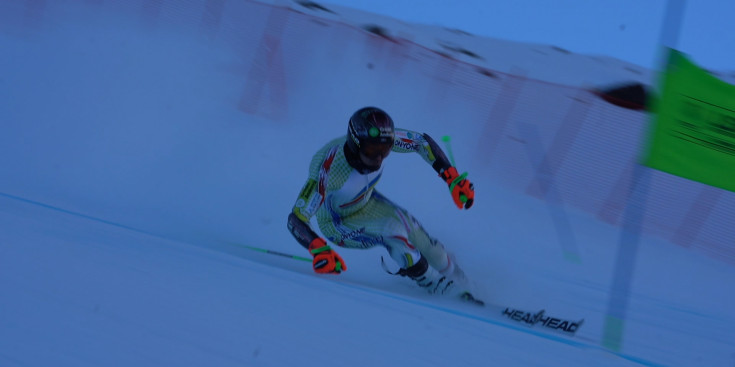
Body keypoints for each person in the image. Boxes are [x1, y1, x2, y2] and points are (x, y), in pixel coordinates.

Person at [287, 106, 479, 302]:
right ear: (355, 144)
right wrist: (318, 247)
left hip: (368, 203)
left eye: (385, 150)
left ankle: (465, 284)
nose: (378, 157)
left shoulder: (380, 137)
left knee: (429, 248)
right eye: (371, 151)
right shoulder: (328, 168)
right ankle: (439, 287)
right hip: (338, 224)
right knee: (393, 232)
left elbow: (421, 142)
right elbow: (297, 218)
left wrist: (451, 177)